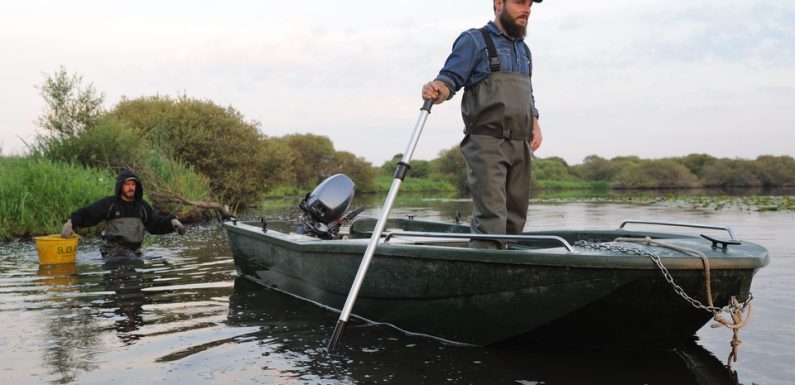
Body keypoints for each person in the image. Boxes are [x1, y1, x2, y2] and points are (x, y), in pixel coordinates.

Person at [422, 0, 543, 249]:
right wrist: (439, 88)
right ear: (498, 2)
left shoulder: (524, 50)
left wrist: (535, 122)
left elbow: (528, 94)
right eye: (520, 2)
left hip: (521, 145)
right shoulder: (474, 40)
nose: (527, 9)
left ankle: (507, 273)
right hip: (487, 142)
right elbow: (450, 79)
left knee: (515, 218)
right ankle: (483, 273)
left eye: (530, 4)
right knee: (492, 220)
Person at [61, 170, 186, 257]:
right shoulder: (110, 204)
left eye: (133, 184)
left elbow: (156, 224)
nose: (131, 187)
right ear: (120, 186)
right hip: (112, 252)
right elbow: (86, 214)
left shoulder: (142, 206)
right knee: (126, 260)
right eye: (127, 184)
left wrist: (172, 222)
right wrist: (70, 222)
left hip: (134, 252)